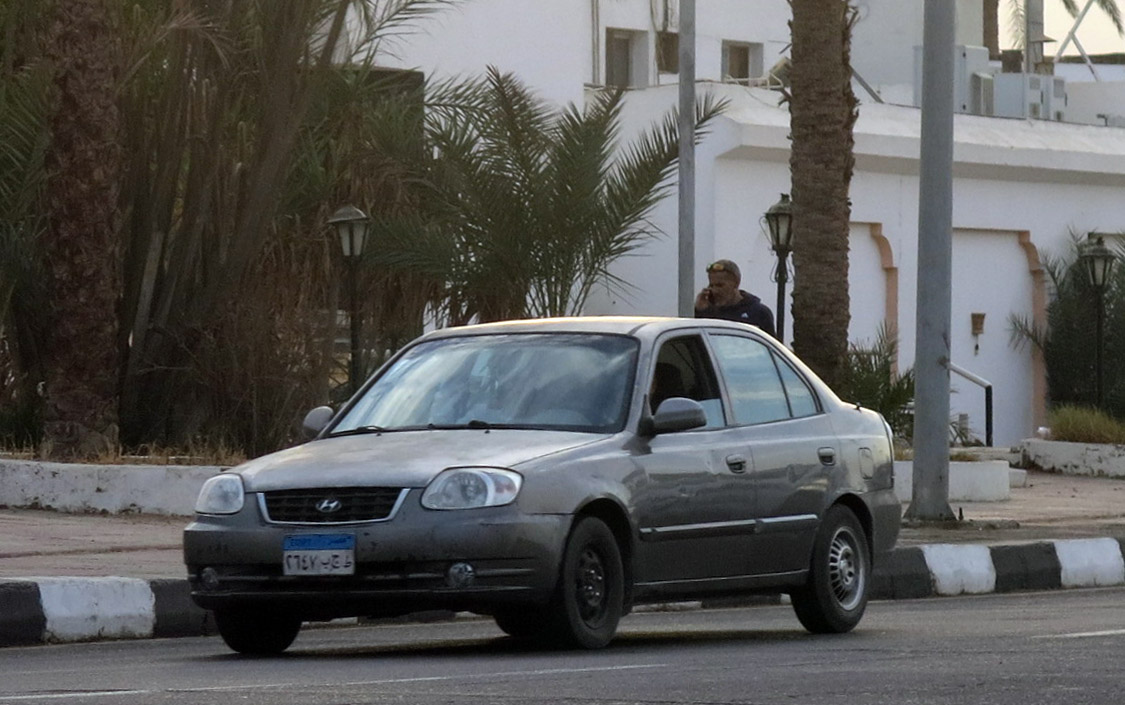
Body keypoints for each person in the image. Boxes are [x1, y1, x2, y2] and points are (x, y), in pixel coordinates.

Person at [694, 259, 776, 337]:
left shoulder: (759, 313)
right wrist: (699, 311)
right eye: (711, 285)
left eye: (720, 285)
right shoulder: (708, 314)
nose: (715, 291)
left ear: (736, 283)